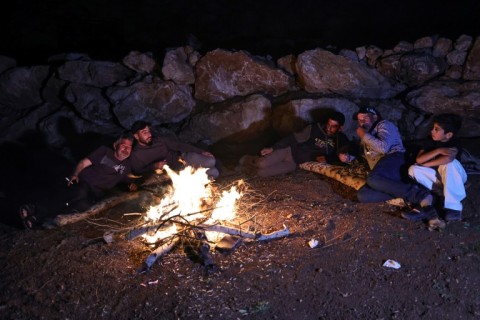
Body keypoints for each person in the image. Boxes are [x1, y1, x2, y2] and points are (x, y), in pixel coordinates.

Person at [19, 132, 138, 229]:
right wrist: (75, 174)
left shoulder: (126, 166)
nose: (126, 149)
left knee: (82, 206)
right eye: (123, 145)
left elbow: (128, 179)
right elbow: (84, 162)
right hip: (82, 183)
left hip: (94, 194)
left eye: (129, 147)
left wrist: (132, 184)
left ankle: (41, 220)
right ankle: (34, 208)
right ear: (115, 145)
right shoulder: (104, 152)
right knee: (79, 193)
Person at [344, 106, 435, 216]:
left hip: (395, 158)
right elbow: (367, 156)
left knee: (373, 179)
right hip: (383, 170)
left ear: (375, 117)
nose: (362, 122)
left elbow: (383, 148)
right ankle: (403, 188)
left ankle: (420, 195)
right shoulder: (368, 135)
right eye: (359, 120)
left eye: (365, 118)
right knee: (363, 195)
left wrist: (363, 134)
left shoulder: (384, 125)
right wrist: (348, 158)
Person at [237, 111, 352, 177]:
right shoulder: (314, 128)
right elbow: (293, 138)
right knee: (261, 164)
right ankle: (248, 159)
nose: (329, 128)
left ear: (340, 128)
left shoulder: (340, 139)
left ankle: (247, 168)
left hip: (294, 163)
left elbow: (343, 150)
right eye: (328, 124)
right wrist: (273, 148)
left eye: (333, 126)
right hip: (289, 150)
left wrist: (331, 157)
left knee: (261, 173)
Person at [405, 113, 467, 222]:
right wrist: (438, 150)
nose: (432, 131)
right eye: (433, 128)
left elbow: (448, 159)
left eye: (436, 129)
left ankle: (454, 209)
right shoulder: (430, 140)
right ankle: (440, 192)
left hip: (455, 177)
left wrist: (426, 164)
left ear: (448, 135)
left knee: (449, 164)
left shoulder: (454, 142)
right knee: (413, 169)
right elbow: (419, 160)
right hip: (437, 178)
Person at [129, 120, 219, 180]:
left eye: (148, 131)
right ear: (136, 136)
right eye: (144, 132)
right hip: (176, 172)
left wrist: (201, 151)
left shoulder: (159, 140)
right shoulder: (136, 154)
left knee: (211, 160)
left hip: (183, 159)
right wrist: (153, 166)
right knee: (214, 173)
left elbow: (179, 145)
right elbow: (138, 172)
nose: (149, 134)